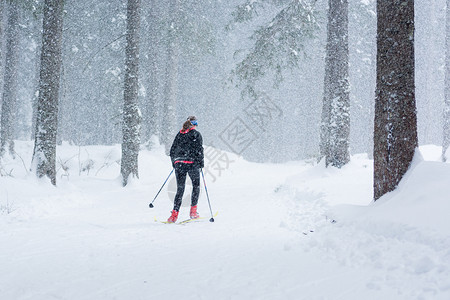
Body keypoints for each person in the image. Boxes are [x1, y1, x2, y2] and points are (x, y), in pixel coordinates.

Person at [167, 116, 204, 223]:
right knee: (196, 186)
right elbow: (199, 150)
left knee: (180, 189)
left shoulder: (179, 134)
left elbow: (172, 150)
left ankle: (174, 215)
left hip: (180, 164)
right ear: (194, 124)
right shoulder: (196, 135)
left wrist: (175, 162)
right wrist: (201, 163)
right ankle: (193, 212)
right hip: (192, 163)